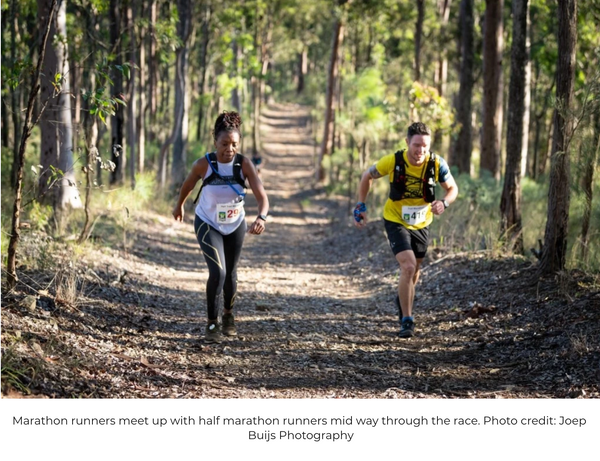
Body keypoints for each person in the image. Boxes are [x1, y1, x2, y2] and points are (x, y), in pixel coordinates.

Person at [354, 122, 458, 338]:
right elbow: (367, 176)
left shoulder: (436, 163)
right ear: (407, 142)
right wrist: (361, 206)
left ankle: (403, 297)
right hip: (395, 219)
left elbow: (452, 188)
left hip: (422, 222)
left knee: (414, 270)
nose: (420, 150)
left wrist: (444, 203)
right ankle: (407, 320)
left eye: (425, 146)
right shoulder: (394, 160)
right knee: (408, 267)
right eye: (416, 145)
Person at [173, 111, 269, 343]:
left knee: (231, 275)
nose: (229, 148)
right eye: (224, 143)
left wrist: (261, 218)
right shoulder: (203, 164)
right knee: (219, 271)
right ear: (215, 141)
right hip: (207, 222)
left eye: (234, 144)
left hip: (235, 224)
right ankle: (212, 323)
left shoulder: (244, 164)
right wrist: (179, 206)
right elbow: (187, 186)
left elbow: (262, 197)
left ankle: (228, 316)